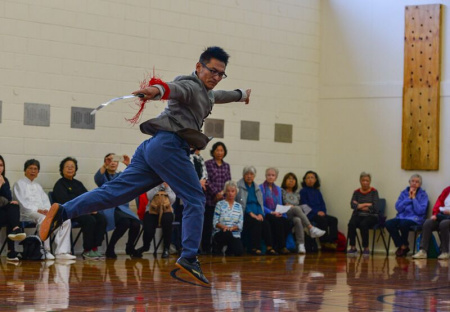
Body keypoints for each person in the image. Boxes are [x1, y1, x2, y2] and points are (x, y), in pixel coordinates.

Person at [39, 46, 251, 285]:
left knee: (114, 194)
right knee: (195, 199)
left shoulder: (208, 93)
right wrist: (155, 90)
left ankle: (63, 211)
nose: (216, 76)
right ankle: (189, 257)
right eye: (212, 70)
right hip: (169, 147)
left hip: (153, 149)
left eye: (221, 73)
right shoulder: (191, 85)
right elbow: (173, 88)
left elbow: (221, 95)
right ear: (199, 67)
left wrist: (241, 94)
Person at [13, 159, 75, 260]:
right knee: (43, 219)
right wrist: (38, 210)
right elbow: (22, 204)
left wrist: (47, 211)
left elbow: (46, 202)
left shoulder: (38, 186)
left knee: (65, 220)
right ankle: (45, 250)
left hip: (41, 213)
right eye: (30, 168)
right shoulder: (19, 184)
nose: (33, 171)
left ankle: (62, 252)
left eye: (35, 169)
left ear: (38, 172)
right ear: (25, 170)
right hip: (26, 213)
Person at [52, 157, 107, 260]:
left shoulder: (78, 184)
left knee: (101, 218)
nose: (70, 169)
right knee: (89, 220)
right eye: (67, 167)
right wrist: (84, 210)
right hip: (70, 213)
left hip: (83, 211)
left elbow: (87, 197)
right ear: (62, 169)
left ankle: (94, 248)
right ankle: (87, 250)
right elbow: (65, 203)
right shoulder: (59, 184)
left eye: (72, 167)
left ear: (75, 169)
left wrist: (92, 208)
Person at [94, 153, 140, 259]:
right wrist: (105, 165)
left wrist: (129, 165)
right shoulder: (103, 176)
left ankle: (130, 247)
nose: (113, 163)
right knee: (125, 222)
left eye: (115, 160)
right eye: (110, 161)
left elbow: (134, 177)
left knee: (136, 224)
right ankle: (110, 248)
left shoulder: (120, 175)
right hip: (108, 208)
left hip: (122, 207)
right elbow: (97, 179)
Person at [236, 166, 277, 255]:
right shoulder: (239, 186)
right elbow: (241, 202)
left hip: (256, 213)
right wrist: (251, 213)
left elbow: (260, 203)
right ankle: (255, 248)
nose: (249, 176)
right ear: (243, 175)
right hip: (244, 213)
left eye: (251, 174)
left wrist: (260, 214)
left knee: (265, 223)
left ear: (254, 176)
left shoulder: (256, 187)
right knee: (256, 223)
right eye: (247, 174)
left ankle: (269, 247)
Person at [281, 172, 325, 254]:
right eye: (289, 179)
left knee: (297, 219)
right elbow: (277, 203)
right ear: (285, 181)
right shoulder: (280, 191)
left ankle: (301, 245)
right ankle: (311, 228)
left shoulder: (297, 194)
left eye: (293, 179)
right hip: (284, 213)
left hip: (295, 213)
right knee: (296, 208)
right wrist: (286, 205)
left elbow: (301, 205)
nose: (291, 181)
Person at [386, 174, 428, 257]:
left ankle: (403, 246)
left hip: (415, 219)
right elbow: (398, 207)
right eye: (412, 181)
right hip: (401, 217)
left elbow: (420, 211)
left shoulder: (423, 195)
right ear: (409, 182)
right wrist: (408, 198)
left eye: (417, 182)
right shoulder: (404, 193)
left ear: (420, 184)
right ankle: (403, 245)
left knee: (403, 224)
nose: (414, 183)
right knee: (388, 223)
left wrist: (414, 199)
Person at [135, 182, 175, 258]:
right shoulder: (151, 181)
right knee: (148, 228)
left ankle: (166, 248)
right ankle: (146, 246)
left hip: (166, 209)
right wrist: (157, 185)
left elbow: (172, 200)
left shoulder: (170, 182)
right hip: (152, 209)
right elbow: (149, 197)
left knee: (167, 221)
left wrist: (167, 188)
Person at [204, 142, 231, 254]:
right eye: (217, 150)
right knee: (208, 225)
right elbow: (206, 181)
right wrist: (216, 193)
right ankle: (205, 248)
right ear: (213, 152)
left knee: (220, 225)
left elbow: (228, 182)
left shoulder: (226, 166)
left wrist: (222, 194)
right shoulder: (208, 164)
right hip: (210, 200)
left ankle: (217, 248)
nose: (220, 153)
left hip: (222, 201)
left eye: (222, 150)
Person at [300, 171, 338, 249]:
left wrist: (323, 212)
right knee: (322, 221)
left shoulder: (317, 191)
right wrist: (316, 212)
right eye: (308, 178)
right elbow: (304, 206)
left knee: (334, 220)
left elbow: (322, 203)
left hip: (320, 213)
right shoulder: (303, 191)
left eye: (312, 177)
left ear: (315, 180)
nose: (310, 179)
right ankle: (324, 242)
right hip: (310, 215)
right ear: (305, 180)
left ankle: (332, 241)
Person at [412, 185, 450, 260]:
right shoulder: (447, 190)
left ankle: (445, 252)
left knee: (444, 224)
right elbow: (438, 203)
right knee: (428, 222)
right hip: (442, 215)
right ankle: (423, 251)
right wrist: (435, 214)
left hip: (447, 218)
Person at [0, 155, 26, 261]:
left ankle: (16, 229)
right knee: (12, 214)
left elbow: (9, 198)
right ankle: (11, 251)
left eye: (1, 165)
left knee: (14, 206)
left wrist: (3, 183)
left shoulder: (4, 179)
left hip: (2, 212)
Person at [346, 172, 379, 255]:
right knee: (351, 224)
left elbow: (375, 206)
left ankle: (366, 248)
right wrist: (367, 204)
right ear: (360, 181)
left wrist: (359, 205)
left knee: (363, 224)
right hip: (358, 215)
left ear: (370, 181)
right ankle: (353, 247)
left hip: (371, 216)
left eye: (367, 181)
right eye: (363, 180)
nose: (365, 182)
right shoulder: (356, 192)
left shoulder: (374, 192)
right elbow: (352, 205)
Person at [260, 167, 291, 254]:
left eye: (273, 175)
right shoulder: (260, 188)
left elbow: (280, 203)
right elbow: (261, 205)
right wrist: (272, 212)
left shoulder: (278, 189)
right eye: (268, 175)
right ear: (265, 176)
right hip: (267, 213)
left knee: (286, 222)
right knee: (277, 222)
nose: (270, 177)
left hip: (277, 213)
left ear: (276, 177)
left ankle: (277, 245)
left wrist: (282, 214)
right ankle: (282, 247)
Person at [212, 180, 244, 256]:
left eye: (232, 191)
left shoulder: (239, 206)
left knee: (239, 252)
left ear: (236, 192)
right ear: (225, 192)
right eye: (228, 191)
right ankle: (218, 247)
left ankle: (229, 249)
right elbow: (215, 222)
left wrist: (232, 228)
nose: (230, 193)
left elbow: (240, 224)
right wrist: (223, 227)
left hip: (234, 234)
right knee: (226, 234)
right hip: (221, 232)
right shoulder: (219, 204)